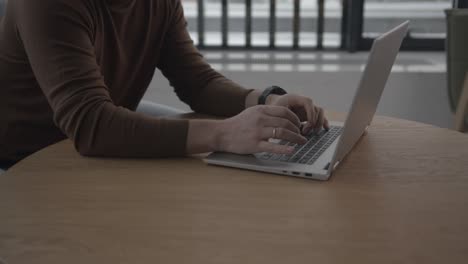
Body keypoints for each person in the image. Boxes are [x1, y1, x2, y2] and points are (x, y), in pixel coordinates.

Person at [0, 0, 328, 171]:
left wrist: (265, 100)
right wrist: (225, 133)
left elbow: (196, 81)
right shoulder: (48, 4)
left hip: (96, 129)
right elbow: (91, 125)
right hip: (26, 156)